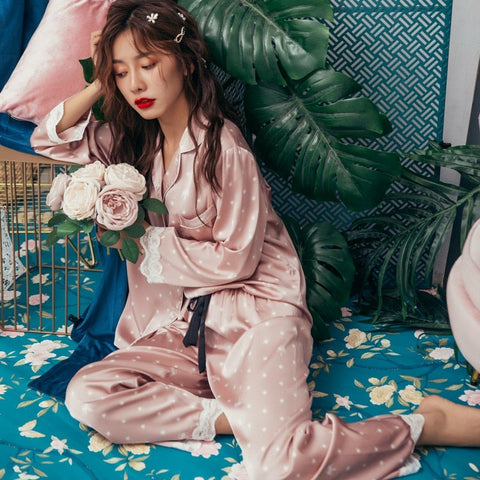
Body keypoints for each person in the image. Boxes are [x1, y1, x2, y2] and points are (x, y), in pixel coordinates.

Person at [30, 1, 480, 478]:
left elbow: (237, 261)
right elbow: (49, 140)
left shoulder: (225, 148)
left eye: (147, 64)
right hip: (182, 325)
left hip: (256, 316)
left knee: (281, 465)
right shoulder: (134, 145)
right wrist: (100, 81)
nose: (136, 84)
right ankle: (236, 419)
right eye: (123, 73)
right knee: (87, 395)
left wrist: (142, 243)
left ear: (185, 63)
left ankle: (425, 424)